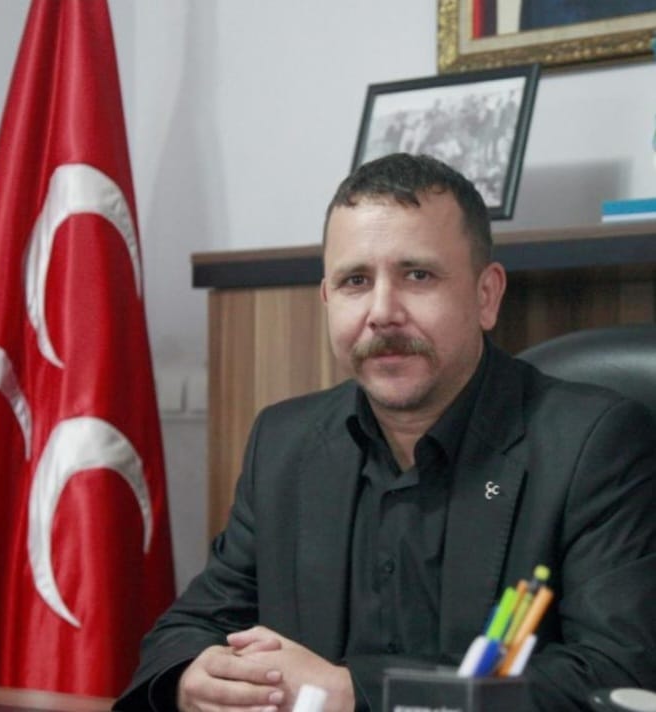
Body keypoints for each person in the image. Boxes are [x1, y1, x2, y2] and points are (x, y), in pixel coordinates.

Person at [114, 153, 656, 712]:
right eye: (355, 281)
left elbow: (615, 678)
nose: (382, 312)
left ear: (486, 296)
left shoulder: (594, 445)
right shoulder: (284, 443)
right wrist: (194, 678)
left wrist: (355, 692)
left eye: (417, 275)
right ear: (327, 299)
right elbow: (189, 629)